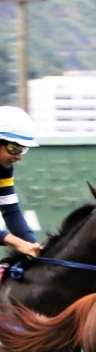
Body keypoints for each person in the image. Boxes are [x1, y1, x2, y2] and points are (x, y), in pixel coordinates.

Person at [0, 105, 42, 259]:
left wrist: (34, 245)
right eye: (14, 147)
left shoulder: (4, 169)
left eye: (22, 149)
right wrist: (17, 243)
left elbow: (10, 211)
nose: (19, 156)